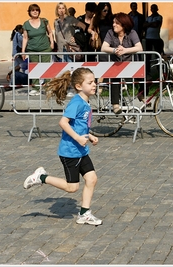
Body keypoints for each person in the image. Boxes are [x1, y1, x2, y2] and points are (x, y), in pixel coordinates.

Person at [23, 67, 102, 226]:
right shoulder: (77, 102)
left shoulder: (86, 101)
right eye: (90, 82)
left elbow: (79, 126)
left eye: (95, 81)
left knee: (91, 179)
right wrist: (78, 138)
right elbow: (63, 123)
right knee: (72, 188)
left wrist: (88, 135)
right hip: (70, 152)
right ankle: (41, 177)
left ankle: (84, 214)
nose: (94, 85)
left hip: (81, 150)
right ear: (79, 86)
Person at [101, 12, 143, 114]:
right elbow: (103, 47)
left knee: (145, 76)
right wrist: (114, 50)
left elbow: (139, 48)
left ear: (124, 25)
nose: (114, 25)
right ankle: (115, 105)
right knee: (115, 78)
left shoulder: (132, 33)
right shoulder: (110, 32)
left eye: (116, 23)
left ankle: (141, 94)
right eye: (113, 22)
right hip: (116, 64)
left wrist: (125, 50)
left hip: (130, 64)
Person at [21, 4, 54, 95]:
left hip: (45, 48)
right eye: (33, 10)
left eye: (37, 10)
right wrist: (23, 51)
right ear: (29, 12)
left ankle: (48, 88)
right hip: (32, 49)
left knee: (46, 67)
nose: (35, 12)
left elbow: (50, 32)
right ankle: (36, 88)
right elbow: (25, 38)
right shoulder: (26, 24)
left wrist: (52, 43)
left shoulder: (44, 21)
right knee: (34, 68)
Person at [143, 4, 164, 76]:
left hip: (156, 38)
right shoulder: (148, 18)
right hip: (148, 38)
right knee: (148, 55)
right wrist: (150, 24)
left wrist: (148, 24)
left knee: (157, 55)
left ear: (157, 9)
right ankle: (147, 70)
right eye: (152, 8)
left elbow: (156, 25)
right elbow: (144, 25)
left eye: (154, 8)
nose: (153, 10)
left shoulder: (159, 17)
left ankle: (159, 70)